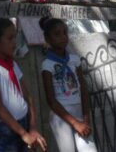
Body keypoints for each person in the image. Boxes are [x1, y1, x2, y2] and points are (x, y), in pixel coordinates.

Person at [0, 18, 47, 152]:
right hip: (8, 130)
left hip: (24, 124)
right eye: (10, 39)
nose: (15, 43)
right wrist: (23, 134)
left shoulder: (12, 65)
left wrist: (32, 128)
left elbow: (28, 97)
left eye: (15, 38)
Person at [39, 16, 97, 152]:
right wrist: (75, 123)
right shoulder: (47, 65)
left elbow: (83, 90)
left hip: (80, 114)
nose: (63, 37)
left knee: (90, 149)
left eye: (65, 32)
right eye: (57, 34)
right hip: (60, 117)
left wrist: (85, 119)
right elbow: (51, 101)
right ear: (47, 39)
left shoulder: (74, 60)